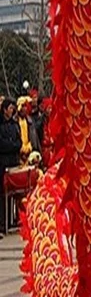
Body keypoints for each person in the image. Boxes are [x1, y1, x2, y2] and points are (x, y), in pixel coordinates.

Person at [0, 99, 21, 235]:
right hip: (2, 163)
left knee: (13, 194)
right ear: (4, 109)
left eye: (13, 108)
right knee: (2, 195)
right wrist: (11, 145)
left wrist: (13, 145)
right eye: (10, 108)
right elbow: (1, 144)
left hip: (14, 162)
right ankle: (2, 224)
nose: (12, 110)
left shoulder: (15, 124)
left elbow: (19, 142)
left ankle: (11, 220)